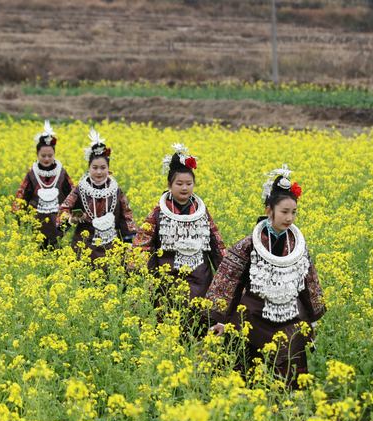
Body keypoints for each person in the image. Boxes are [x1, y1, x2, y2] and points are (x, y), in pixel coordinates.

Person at [206, 165, 325, 386]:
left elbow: (309, 281)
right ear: (269, 210)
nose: (290, 218)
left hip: (289, 315)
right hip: (255, 316)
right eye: (284, 212)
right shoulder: (249, 244)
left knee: (290, 368)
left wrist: (312, 318)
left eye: (294, 212)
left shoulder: (298, 245)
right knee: (248, 375)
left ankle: (287, 409)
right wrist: (222, 320)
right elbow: (229, 281)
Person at [133, 143, 226, 319]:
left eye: (189, 183)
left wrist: (227, 276)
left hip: (201, 280)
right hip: (169, 282)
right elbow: (142, 243)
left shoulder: (201, 211)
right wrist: (146, 274)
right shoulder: (159, 211)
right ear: (169, 185)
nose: (184, 188)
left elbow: (217, 244)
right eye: (179, 183)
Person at [56, 129, 137, 260]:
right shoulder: (80, 189)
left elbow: (126, 215)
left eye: (103, 168)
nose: (99, 172)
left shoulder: (116, 190)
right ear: (89, 168)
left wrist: (130, 243)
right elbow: (63, 210)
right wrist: (72, 218)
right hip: (84, 248)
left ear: (108, 168)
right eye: (95, 168)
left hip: (111, 248)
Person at [12, 121, 75, 249]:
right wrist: (19, 217)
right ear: (37, 155)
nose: (46, 159)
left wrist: (75, 214)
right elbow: (22, 196)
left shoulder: (61, 173)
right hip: (37, 222)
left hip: (57, 224)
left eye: (50, 155)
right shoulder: (32, 174)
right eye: (43, 155)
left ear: (54, 155)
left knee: (57, 249)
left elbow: (72, 194)